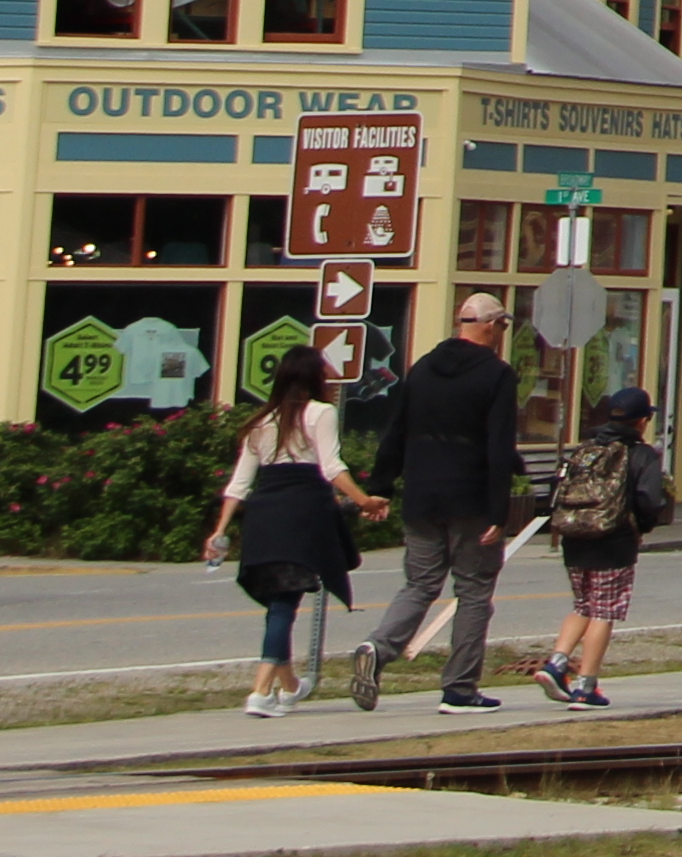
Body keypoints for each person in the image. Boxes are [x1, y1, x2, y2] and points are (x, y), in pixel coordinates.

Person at [348, 293, 522, 714]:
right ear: (491, 325)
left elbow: (397, 430)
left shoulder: (423, 368)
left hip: (422, 493)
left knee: (421, 584)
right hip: (471, 497)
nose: (503, 334)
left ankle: (379, 645)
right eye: (503, 326)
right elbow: (500, 446)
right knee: (474, 590)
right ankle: (460, 688)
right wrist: (500, 510)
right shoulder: (497, 375)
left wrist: (383, 487)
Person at [202, 343, 382, 717]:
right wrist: (364, 501)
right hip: (302, 516)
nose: (331, 377)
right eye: (325, 371)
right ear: (313, 377)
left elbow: (238, 484)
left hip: (263, 518)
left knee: (277, 604)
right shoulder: (321, 414)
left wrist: (219, 532)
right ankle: (260, 691)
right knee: (284, 603)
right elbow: (331, 468)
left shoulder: (260, 422)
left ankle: (289, 686)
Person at [528, 388, 673, 710]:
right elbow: (650, 499)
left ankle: (556, 662)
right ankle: (586, 685)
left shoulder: (587, 448)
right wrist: (643, 526)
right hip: (614, 539)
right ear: (642, 421)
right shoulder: (641, 453)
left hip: (575, 536)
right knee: (604, 612)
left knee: (583, 605)